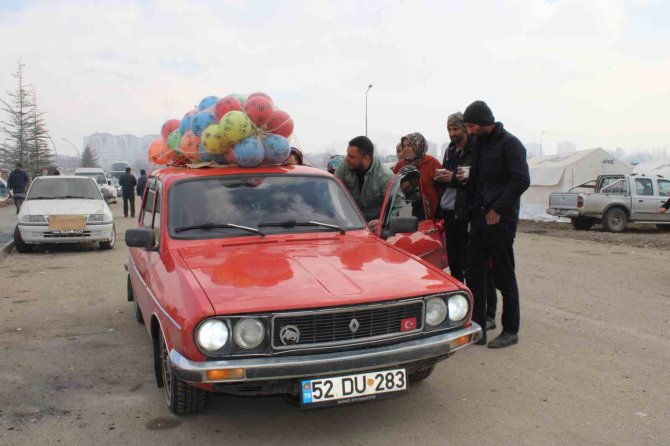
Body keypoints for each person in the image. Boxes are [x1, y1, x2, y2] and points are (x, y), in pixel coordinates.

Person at [463, 100, 530, 348]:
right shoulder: (480, 144)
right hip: (480, 218)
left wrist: (498, 208)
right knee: (474, 273)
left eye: (471, 126)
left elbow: (521, 180)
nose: (469, 131)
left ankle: (510, 330)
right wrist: (470, 211)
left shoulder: (510, 144)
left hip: (500, 220)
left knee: (503, 275)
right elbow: (477, 180)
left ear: (483, 122)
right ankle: (479, 326)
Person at [434, 112, 474, 283]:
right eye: (449, 129)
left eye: (455, 128)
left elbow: (475, 179)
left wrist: (452, 178)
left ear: (464, 128)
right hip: (449, 210)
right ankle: (458, 296)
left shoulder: (474, 150)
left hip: (466, 210)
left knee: (469, 261)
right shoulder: (450, 149)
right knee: (454, 260)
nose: (452, 133)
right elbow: (448, 174)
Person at [334, 136, 393, 222]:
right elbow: (331, 190)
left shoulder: (385, 176)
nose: (347, 158)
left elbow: (397, 207)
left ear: (366, 158)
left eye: (352, 156)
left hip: (374, 228)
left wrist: (383, 222)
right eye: (347, 154)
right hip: (348, 223)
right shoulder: (345, 164)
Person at [392, 132, 442, 219]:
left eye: (409, 145)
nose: (405, 149)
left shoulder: (433, 163)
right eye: (404, 146)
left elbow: (441, 191)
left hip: (430, 218)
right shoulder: (400, 166)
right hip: (405, 217)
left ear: (418, 146)